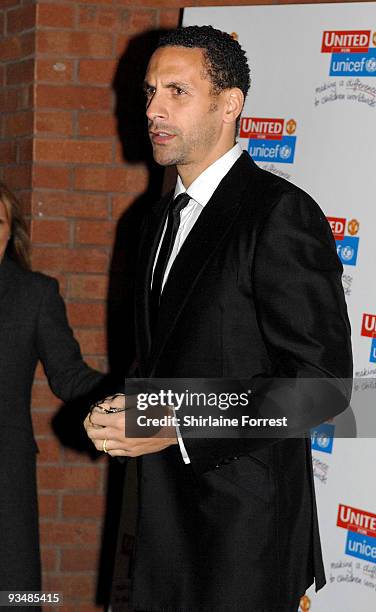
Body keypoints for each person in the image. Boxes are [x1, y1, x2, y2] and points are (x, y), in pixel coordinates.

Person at [84, 26, 352, 611]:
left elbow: (321, 386)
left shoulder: (279, 214)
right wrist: (129, 408)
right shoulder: (156, 219)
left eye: (176, 91)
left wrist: (175, 428)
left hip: (243, 541)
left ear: (231, 104)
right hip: (164, 528)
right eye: (150, 91)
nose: (153, 109)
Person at [0, 182, 107, 595]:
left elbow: (70, 376)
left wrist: (132, 398)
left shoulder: (34, 294)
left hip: (5, 478)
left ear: (12, 233)